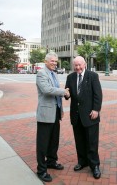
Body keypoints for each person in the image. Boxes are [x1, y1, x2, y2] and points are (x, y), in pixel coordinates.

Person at [65, 56, 103, 179]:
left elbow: (98, 94)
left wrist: (96, 109)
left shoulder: (92, 76)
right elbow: (68, 94)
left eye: (80, 65)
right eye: (75, 65)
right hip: (76, 116)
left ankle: (94, 165)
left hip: (90, 115)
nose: (78, 67)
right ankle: (82, 161)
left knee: (92, 142)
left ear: (85, 64)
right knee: (79, 141)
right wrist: (66, 94)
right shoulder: (70, 77)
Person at [36, 51, 69, 182]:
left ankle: (51, 161)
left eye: (56, 61)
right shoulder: (41, 74)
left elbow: (56, 92)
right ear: (46, 61)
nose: (55, 63)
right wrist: (64, 91)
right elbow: (47, 90)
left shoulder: (54, 74)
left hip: (55, 112)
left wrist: (61, 107)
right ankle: (41, 170)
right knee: (43, 143)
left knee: (54, 140)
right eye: (52, 61)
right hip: (45, 114)